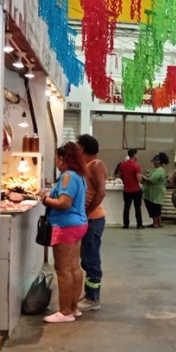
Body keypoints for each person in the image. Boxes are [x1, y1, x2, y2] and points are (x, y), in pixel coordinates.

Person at [40, 142, 88, 323]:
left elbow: (64, 203)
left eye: (57, 158)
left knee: (63, 270)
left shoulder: (68, 176)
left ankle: (65, 311)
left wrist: (46, 199)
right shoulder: (79, 176)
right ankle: (74, 308)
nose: (56, 162)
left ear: (63, 159)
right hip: (78, 225)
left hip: (65, 226)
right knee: (74, 267)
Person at [76, 134, 108, 312]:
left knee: (91, 258)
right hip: (88, 218)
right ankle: (89, 294)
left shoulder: (96, 165)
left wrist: (87, 212)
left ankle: (92, 298)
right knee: (86, 258)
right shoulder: (87, 166)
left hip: (93, 219)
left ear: (82, 148)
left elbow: (101, 192)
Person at [114, 149, 143, 229]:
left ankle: (126, 224)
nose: (138, 156)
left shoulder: (122, 165)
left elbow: (119, 176)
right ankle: (139, 224)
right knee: (137, 207)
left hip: (126, 190)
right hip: (136, 189)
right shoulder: (136, 166)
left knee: (126, 207)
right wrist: (142, 177)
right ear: (134, 155)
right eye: (137, 154)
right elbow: (139, 179)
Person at [141, 153, 169, 228]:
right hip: (157, 192)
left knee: (153, 207)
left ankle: (155, 223)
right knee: (157, 207)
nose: (153, 164)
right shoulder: (159, 170)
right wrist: (147, 173)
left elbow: (151, 180)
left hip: (153, 192)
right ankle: (159, 222)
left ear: (158, 163)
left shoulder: (159, 171)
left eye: (154, 163)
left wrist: (143, 177)